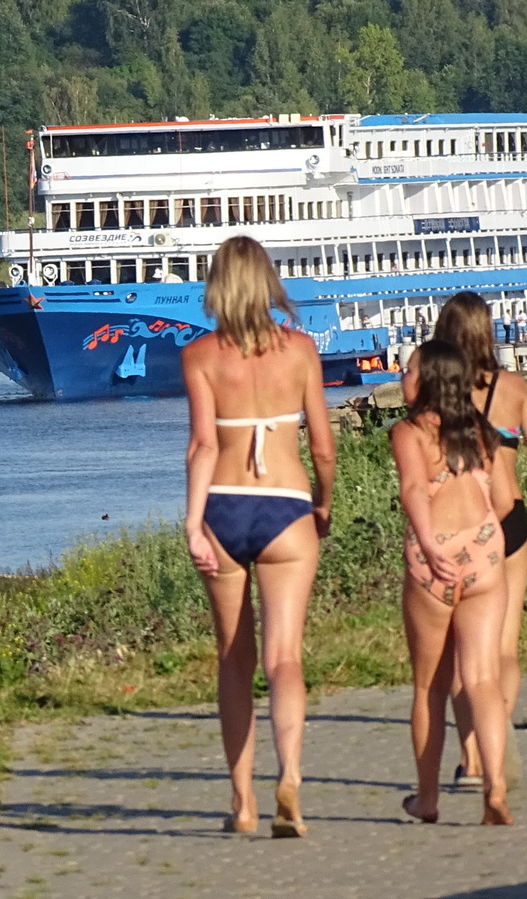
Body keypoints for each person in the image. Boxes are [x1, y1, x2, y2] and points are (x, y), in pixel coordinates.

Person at [182, 236, 335, 838]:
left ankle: (242, 803)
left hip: (222, 507)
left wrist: (193, 523)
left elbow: (203, 445)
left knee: (233, 658)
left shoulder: (199, 355)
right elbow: (323, 445)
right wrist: (323, 501)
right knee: (284, 658)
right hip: (287, 508)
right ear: (268, 281)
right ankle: (289, 777)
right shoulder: (300, 350)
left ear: (217, 285)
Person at [405, 293, 527, 791]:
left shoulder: (440, 396)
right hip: (509, 523)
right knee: (502, 651)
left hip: (458, 527)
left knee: (456, 656)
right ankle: (495, 734)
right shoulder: (512, 388)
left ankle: (471, 758)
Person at [391, 338, 515, 826]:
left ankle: (427, 799)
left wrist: (428, 540)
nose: (401, 377)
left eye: (408, 370)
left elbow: (413, 488)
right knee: (482, 677)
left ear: (426, 381)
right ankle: (495, 787)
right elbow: (502, 500)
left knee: (430, 686)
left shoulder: (409, 432)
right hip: (484, 552)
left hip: (436, 556)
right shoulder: (483, 432)